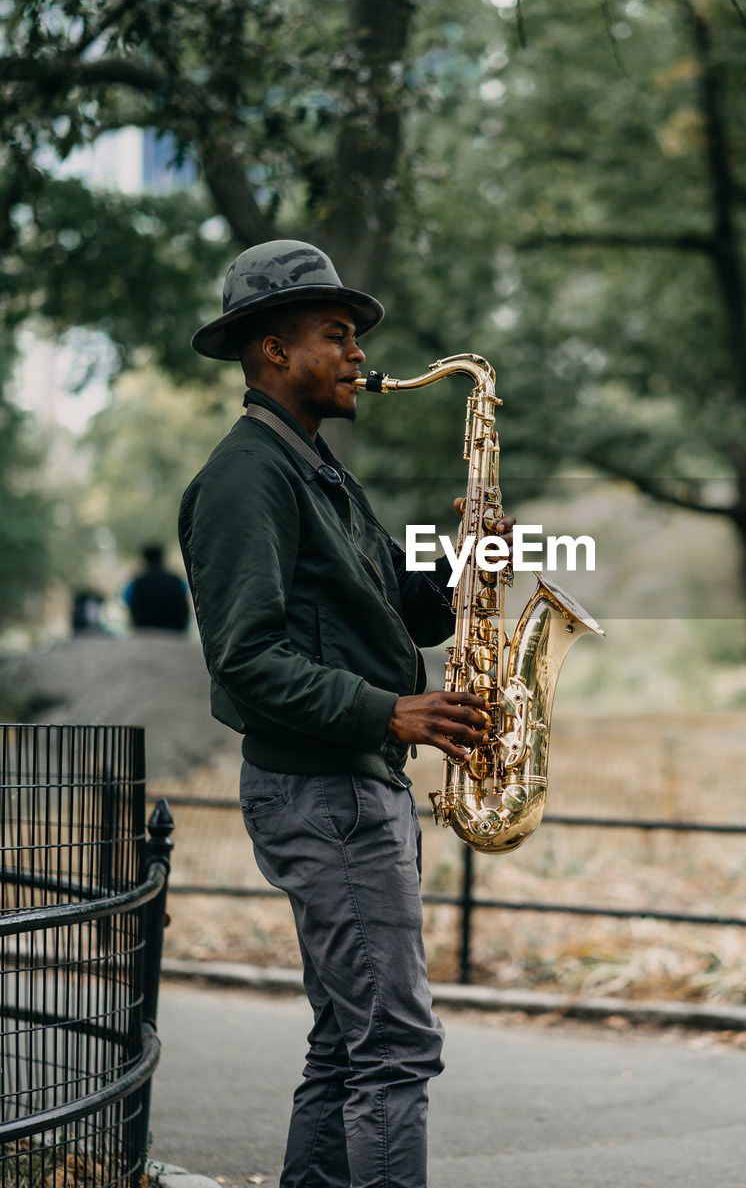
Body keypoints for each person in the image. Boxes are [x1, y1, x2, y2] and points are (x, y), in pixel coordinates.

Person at [178, 240, 514, 1188]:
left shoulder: (313, 468)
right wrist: (389, 711)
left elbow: (396, 607)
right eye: (337, 334)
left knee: (347, 1045)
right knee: (394, 1049)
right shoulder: (249, 478)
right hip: (323, 791)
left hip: (348, 787)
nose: (360, 352)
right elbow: (245, 662)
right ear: (274, 352)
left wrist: (468, 565)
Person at [124, 544, 191, 631]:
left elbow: (127, 600)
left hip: (144, 632)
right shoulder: (178, 581)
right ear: (162, 559)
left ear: (145, 560)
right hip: (175, 631)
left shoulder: (136, 583)